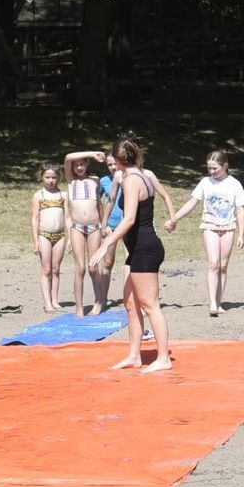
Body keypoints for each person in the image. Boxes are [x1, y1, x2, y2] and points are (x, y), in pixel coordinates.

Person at [100, 138, 175, 373]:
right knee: (131, 304)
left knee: (150, 305)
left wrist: (106, 244)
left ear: (117, 159)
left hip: (145, 248)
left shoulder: (133, 180)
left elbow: (129, 219)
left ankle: (163, 357)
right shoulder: (141, 175)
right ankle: (134, 356)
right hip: (137, 250)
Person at [167, 150, 244, 317]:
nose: (212, 171)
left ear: (225, 166)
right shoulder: (205, 182)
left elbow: (240, 210)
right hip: (210, 226)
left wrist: (241, 234)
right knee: (213, 263)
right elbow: (192, 203)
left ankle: (219, 302)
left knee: (223, 266)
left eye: (215, 168)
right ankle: (212, 303)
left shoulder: (235, 184)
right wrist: (174, 219)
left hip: (228, 228)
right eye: (209, 168)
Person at [61, 150, 111, 314]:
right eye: (76, 165)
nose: (79, 167)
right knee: (80, 268)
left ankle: (99, 301)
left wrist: (104, 225)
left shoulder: (95, 180)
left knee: (92, 267)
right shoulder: (70, 180)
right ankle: (79, 306)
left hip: (94, 226)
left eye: (82, 164)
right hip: (77, 227)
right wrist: (92, 153)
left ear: (87, 164)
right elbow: (68, 157)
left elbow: (99, 205)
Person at [32, 162, 68, 313]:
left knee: (56, 268)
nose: (51, 180)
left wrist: (70, 238)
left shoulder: (63, 195)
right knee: (46, 269)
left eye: (54, 177)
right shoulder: (38, 196)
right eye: (47, 177)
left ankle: (54, 300)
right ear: (42, 177)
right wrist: (35, 240)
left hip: (60, 235)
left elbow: (67, 217)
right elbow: (35, 218)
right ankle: (47, 302)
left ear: (58, 177)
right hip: (44, 235)